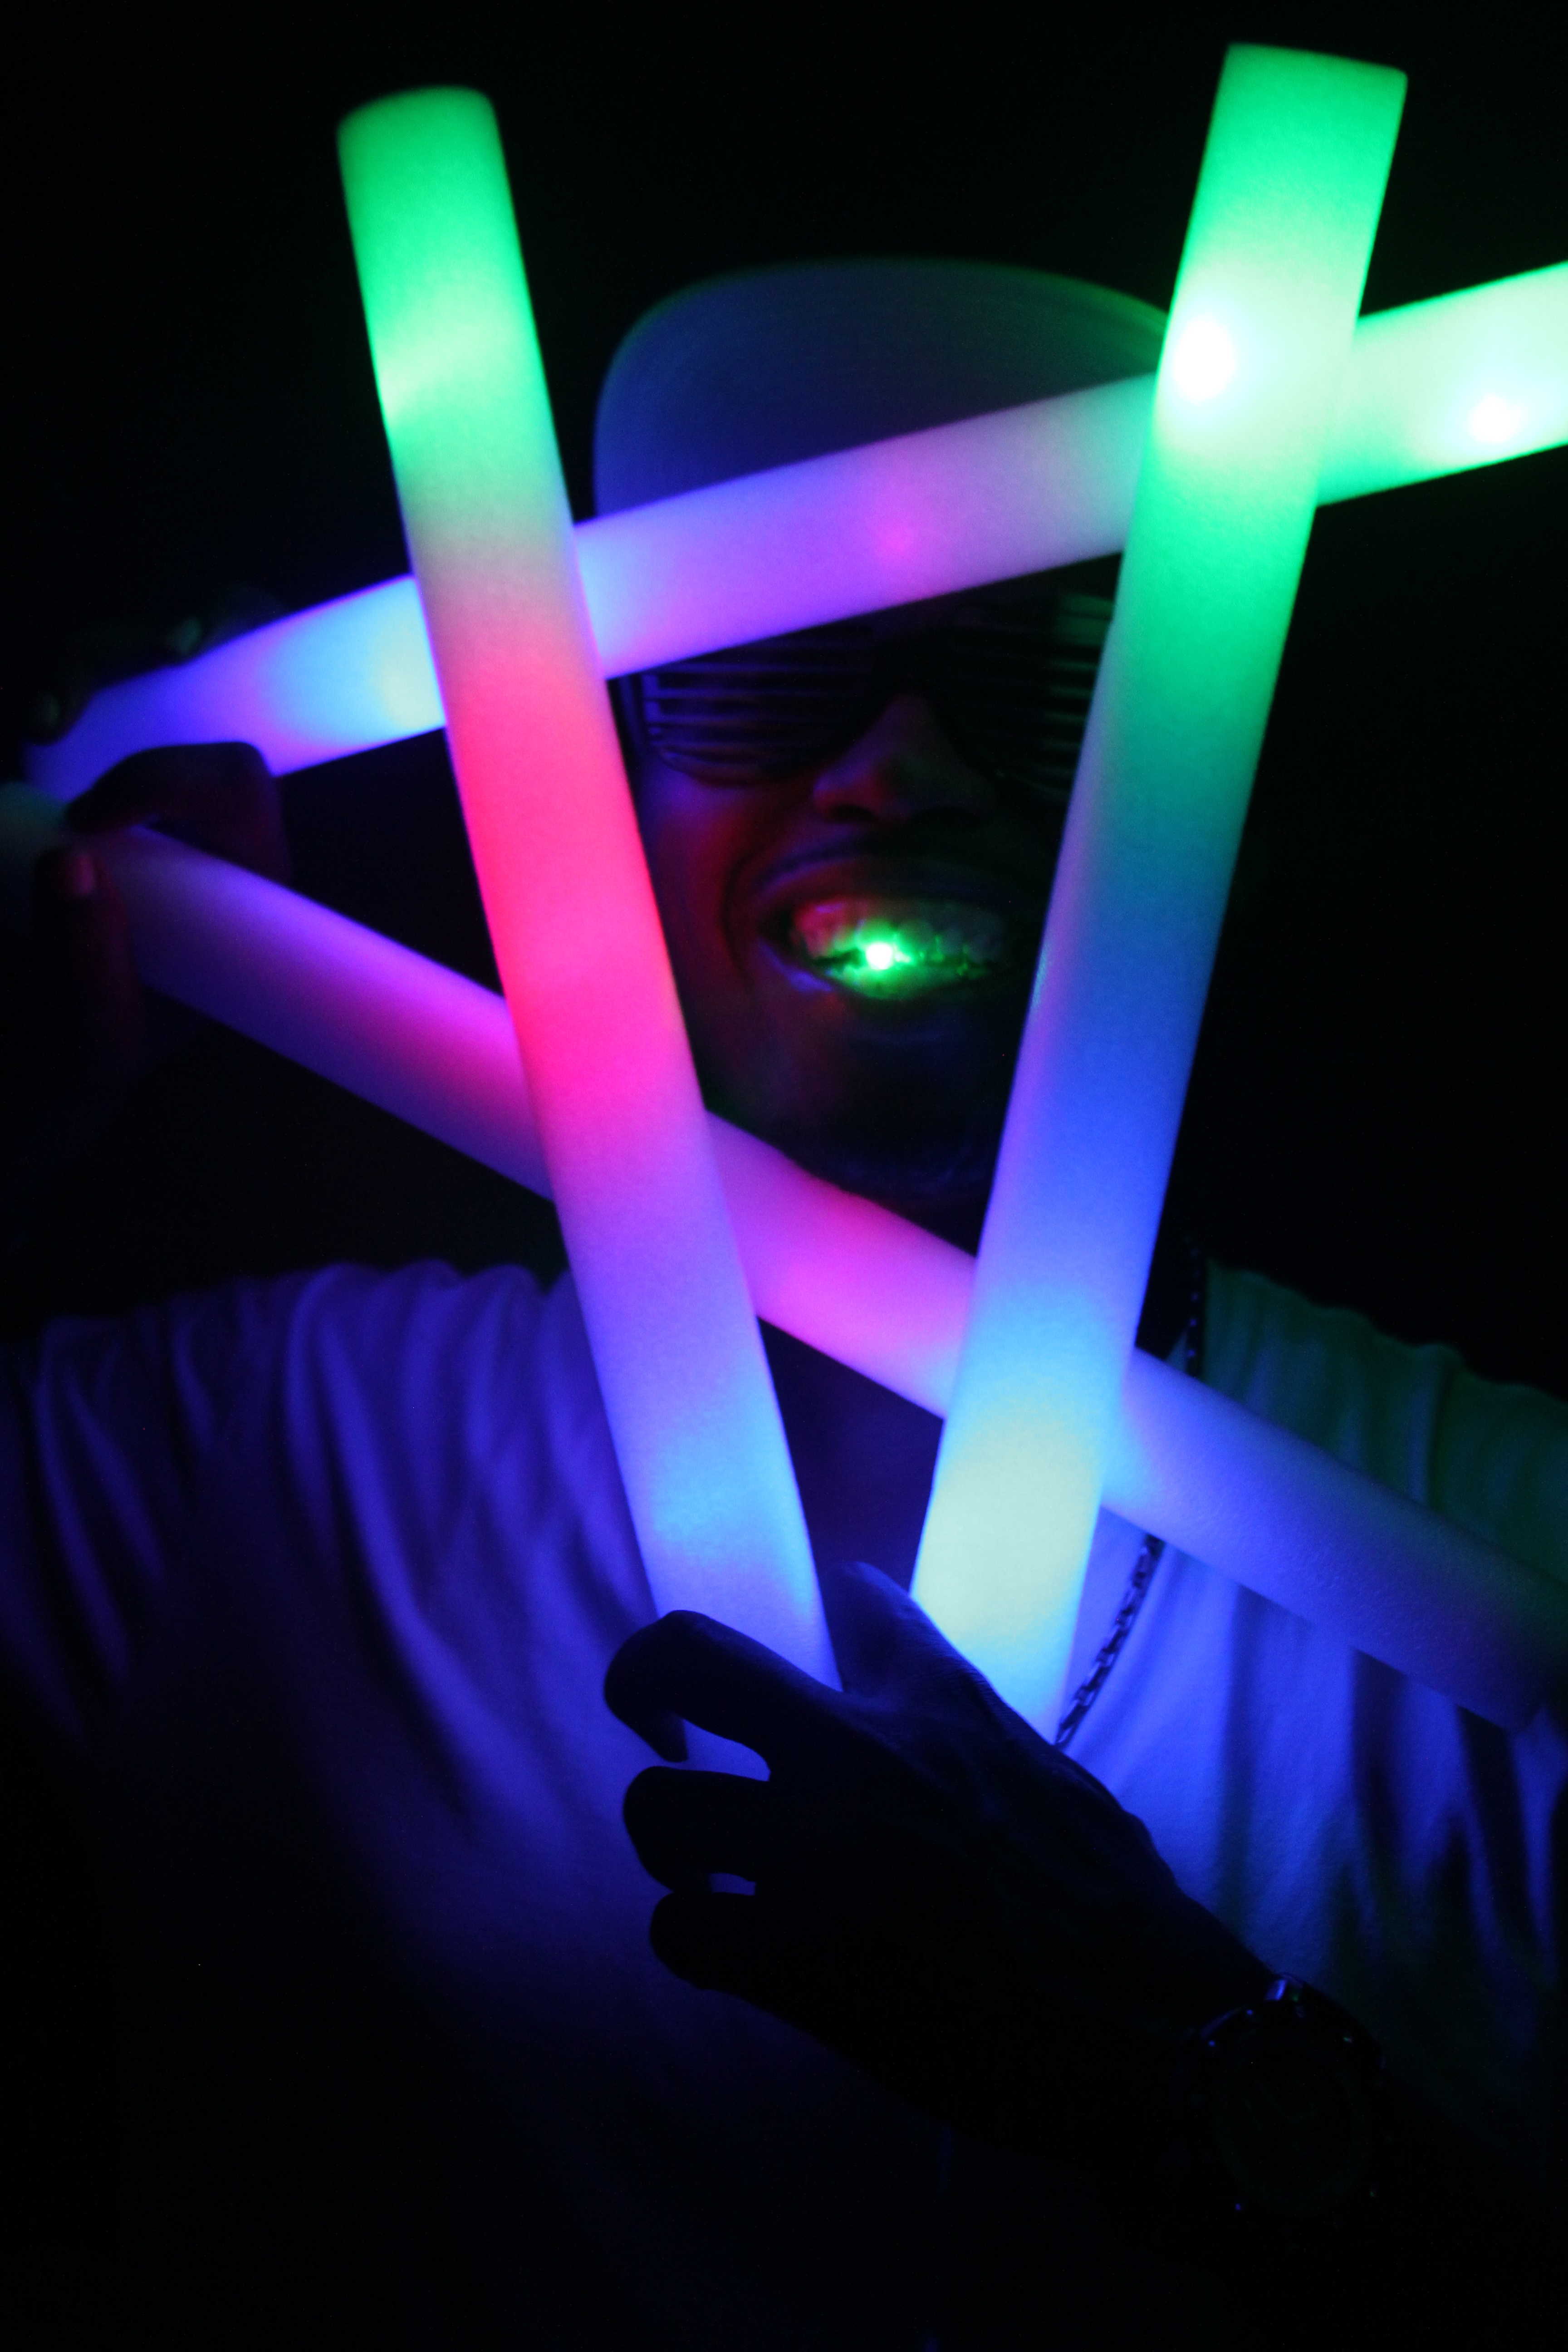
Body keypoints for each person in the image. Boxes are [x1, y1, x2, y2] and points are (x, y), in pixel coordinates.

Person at [1, 258, 1564, 2349]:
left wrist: (1177, 2057)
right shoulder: (283, 1451)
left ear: (1235, 792)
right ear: (577, 784)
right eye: (761, 673)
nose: (894, 768)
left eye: (1043, 675)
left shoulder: (1506, 1552)